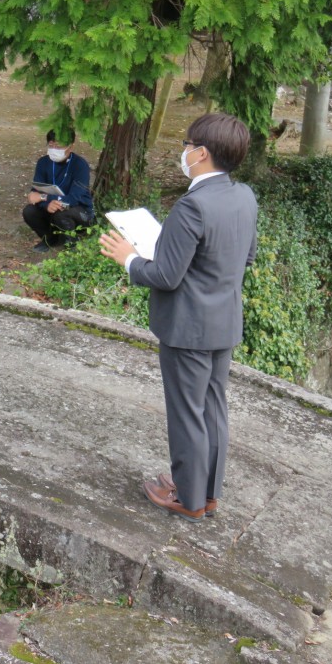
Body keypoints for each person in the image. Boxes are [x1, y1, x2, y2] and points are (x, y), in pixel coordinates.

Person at [99, 112, 258, 523]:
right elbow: (245, 258)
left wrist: (129, 259)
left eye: (187, 146)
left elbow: (166, 276)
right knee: (213, 408)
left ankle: (187, 500)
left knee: (187, 413)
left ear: (201, 153)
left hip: (187, 328)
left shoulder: (193, 206)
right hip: (224, 320)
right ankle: (207, 494)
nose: (183, 152)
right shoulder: (244, 196)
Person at [22, 129, 94, 252]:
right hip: (52, 208)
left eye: (59, 146)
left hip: (79, 212)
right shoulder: (43, 162)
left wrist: (46, 198)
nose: (54, 149)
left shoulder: (80, 165)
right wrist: (45, 204)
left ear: (70, 147)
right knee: (29, 211)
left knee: (61, 212)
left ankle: (72, 242)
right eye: (51, 145)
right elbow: (36, 191)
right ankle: (50, 240)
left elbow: (74, 198)